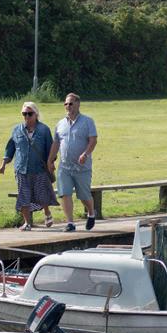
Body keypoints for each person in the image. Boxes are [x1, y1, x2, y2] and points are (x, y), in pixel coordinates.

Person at [0, 101, 56, 230]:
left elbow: (50, 149)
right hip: (21, 169)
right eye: (24, 114)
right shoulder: (17, 130)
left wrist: (51, 163)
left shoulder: (44, 130)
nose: (27, 116)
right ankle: (27, 223)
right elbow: (10, 148)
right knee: (23, 196)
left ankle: (47, 212)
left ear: (36, 114)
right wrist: (3, 164)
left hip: (39, 169)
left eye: (30, 113)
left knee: (42, 194)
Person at [49, 92, 98, 232]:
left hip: (82, 167)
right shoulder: (60, 124)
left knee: (83, 196)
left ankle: (91, 213)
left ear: (78, 104)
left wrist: (85, 154)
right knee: (65, 193)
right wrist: (50, 160)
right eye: (65, 104)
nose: (68, 106)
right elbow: (56, 143)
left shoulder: (88, 121)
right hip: (64, 167)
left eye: (70, 103)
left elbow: (93, 140)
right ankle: (70, 223)